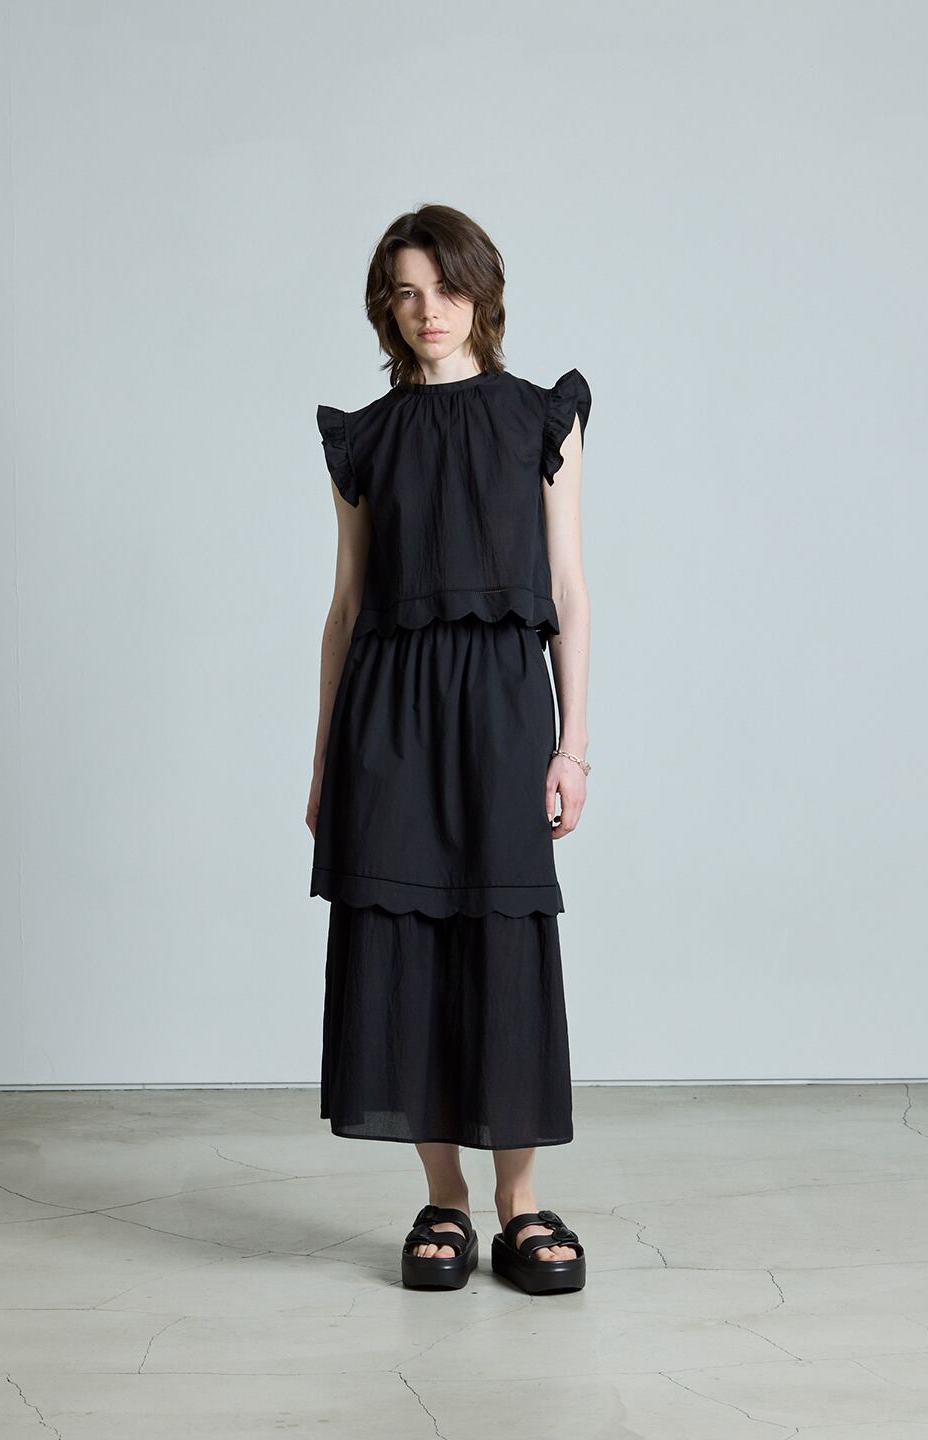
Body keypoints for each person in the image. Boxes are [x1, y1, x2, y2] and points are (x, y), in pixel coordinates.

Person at [305, 204, 591, 1295]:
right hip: (388, 712)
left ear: (483, 292)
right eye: (408, 292)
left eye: (448, 288)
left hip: (505, 708)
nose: (430, 311)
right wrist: (324, 760)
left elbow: (568, 590)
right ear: (386, 306)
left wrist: (574, 744)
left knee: (506, 935)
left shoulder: (540, 419)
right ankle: (445, 1199)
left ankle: (521, 1203)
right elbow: (345, 606)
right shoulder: (364, 438)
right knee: (403, 938)